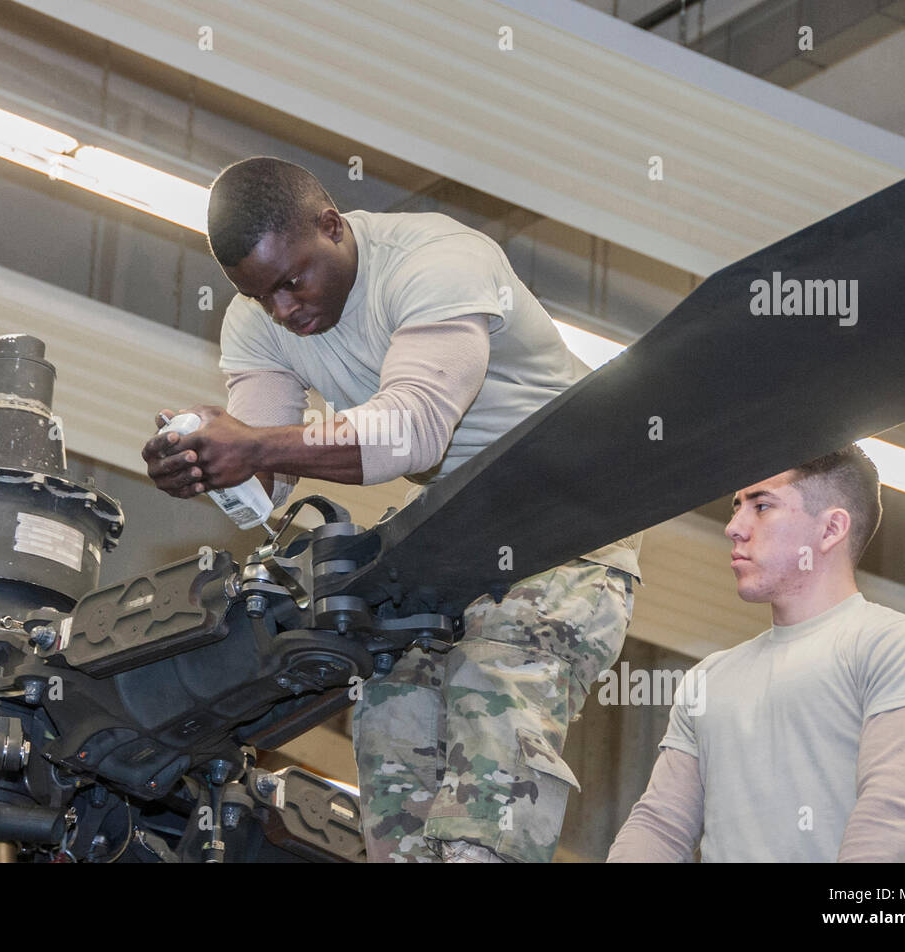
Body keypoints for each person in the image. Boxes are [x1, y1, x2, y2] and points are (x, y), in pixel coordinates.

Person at [142, 156, 641, 862]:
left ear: (332, 225)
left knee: (492, 687)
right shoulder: (259, 323)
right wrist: (205, 462)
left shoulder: (439, 262)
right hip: (450, 534)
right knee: (387, 715)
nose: (284, 308)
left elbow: (410, 431)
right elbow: (268, 476)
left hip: (565, 519)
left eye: (293, 280)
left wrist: (251, 446)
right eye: (262, 296)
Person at [607, 446, 905, 862]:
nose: (733, 527)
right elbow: (660, 826)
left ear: (831, 529)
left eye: (761, 506)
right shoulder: (709, 678)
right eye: (737, 506)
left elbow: (890, 822)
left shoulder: (903, 649)